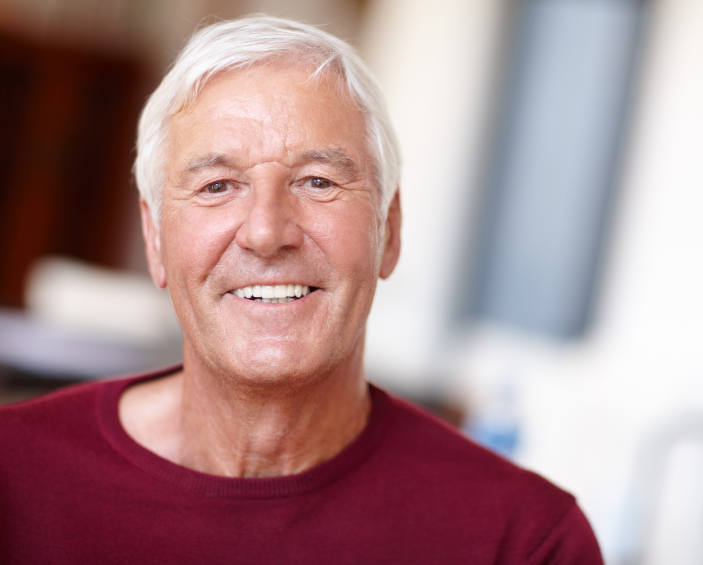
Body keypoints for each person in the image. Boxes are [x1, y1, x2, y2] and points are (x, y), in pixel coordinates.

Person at [0, 16, 603, 564]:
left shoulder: (524, 541)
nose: (266, 233)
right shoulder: (14, 479)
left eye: (317, 182)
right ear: (156, 240)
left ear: (387, 232)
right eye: (217, 185)